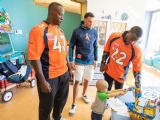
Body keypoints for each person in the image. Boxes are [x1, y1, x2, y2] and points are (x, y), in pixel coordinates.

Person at [28, 2, 73, 120]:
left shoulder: (61, 31)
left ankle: (57, 117)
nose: (62, 18)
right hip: (50, 76)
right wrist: (42, 81)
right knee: (46, 107)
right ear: (51, 12)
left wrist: (69, 68)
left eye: (63, 15)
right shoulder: (38, 30)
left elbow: (65, 52)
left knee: (61, 101)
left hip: (64, 74)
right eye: (60, 15)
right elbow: (34, 58)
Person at [100, 26, 143, 107]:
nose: (131, 41)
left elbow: (137, 69)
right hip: (109, 70)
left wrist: (138, 86)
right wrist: (103, 63)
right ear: (129, 32)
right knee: (106, 92)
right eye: (131, 38)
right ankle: (103, 106)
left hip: (120, 76)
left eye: (134, 40)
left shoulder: (136, 49)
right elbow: (106, 50)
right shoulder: (114, 36)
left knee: (118, 97)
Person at [69, 12, 98, 115]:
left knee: (87, 80)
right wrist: (71, 60)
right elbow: (71, 46)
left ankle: (84, 94)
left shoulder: (94, 31)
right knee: (77, 82)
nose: (91, 23)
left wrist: (96, 59)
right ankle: (73, 103)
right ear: (84, 20)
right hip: (79, 61)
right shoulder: (76, 31)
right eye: (89, 21)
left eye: (93, 21)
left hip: (90, 61)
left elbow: (96, 47)